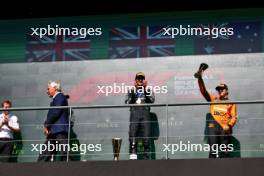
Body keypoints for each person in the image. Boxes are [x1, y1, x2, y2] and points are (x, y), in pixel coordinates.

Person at [195, 70, 237, 158]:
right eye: (218, 89)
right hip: (212, 127)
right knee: (212, 152)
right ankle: (210, 171)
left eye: (222, 89)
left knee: (224, 153)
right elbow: (203, 91)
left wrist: (229, 126)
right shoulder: (214, 99)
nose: (220, 91)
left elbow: (233, 117)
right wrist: (200, 79)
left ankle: (226, 171)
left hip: (224, 129)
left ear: (227, 91)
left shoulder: (231, 103)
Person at [125, 72, 155, 160]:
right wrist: (134, 92)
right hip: (135, 113)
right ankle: (133, 153)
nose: (140, 80)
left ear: (144, 80)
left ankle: (146, 155)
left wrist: (145, 90)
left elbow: (152, 100)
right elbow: (127, 101)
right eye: (138, 78)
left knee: (146, 135)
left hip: (145, 113)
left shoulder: (148, 90)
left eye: (142, 78)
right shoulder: (131, 90)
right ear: (135, 80)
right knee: (132, 133)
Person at [38, 81, 70, 162]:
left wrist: (46, 125)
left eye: (48, 88)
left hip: (59, 129)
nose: (46, 91)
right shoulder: (56, 98)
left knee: (64, 151)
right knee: (46, 151)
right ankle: (39, 167)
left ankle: (68, 168)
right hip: (54, 130)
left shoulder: (60, 96)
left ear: (55, 88)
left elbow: (56, 112)